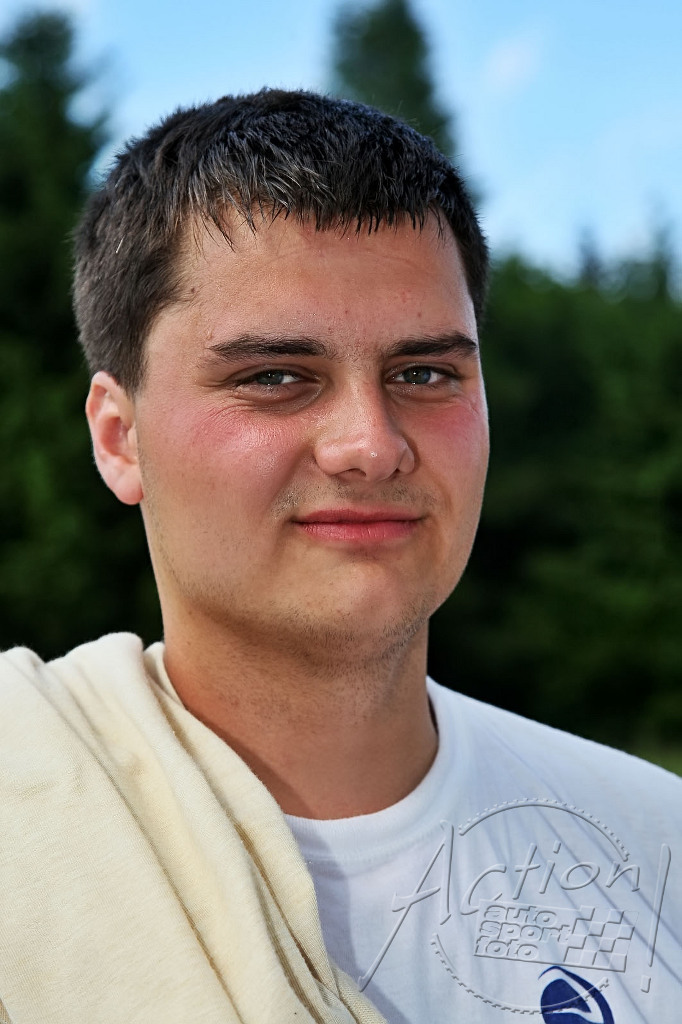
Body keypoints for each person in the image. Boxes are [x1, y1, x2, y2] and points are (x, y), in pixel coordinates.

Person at [0, 90, 679, 1024]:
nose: (372, 444)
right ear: (119, 439)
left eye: (424, 373)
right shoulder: (23, 807)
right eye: (276, 377)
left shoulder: (657, 845)